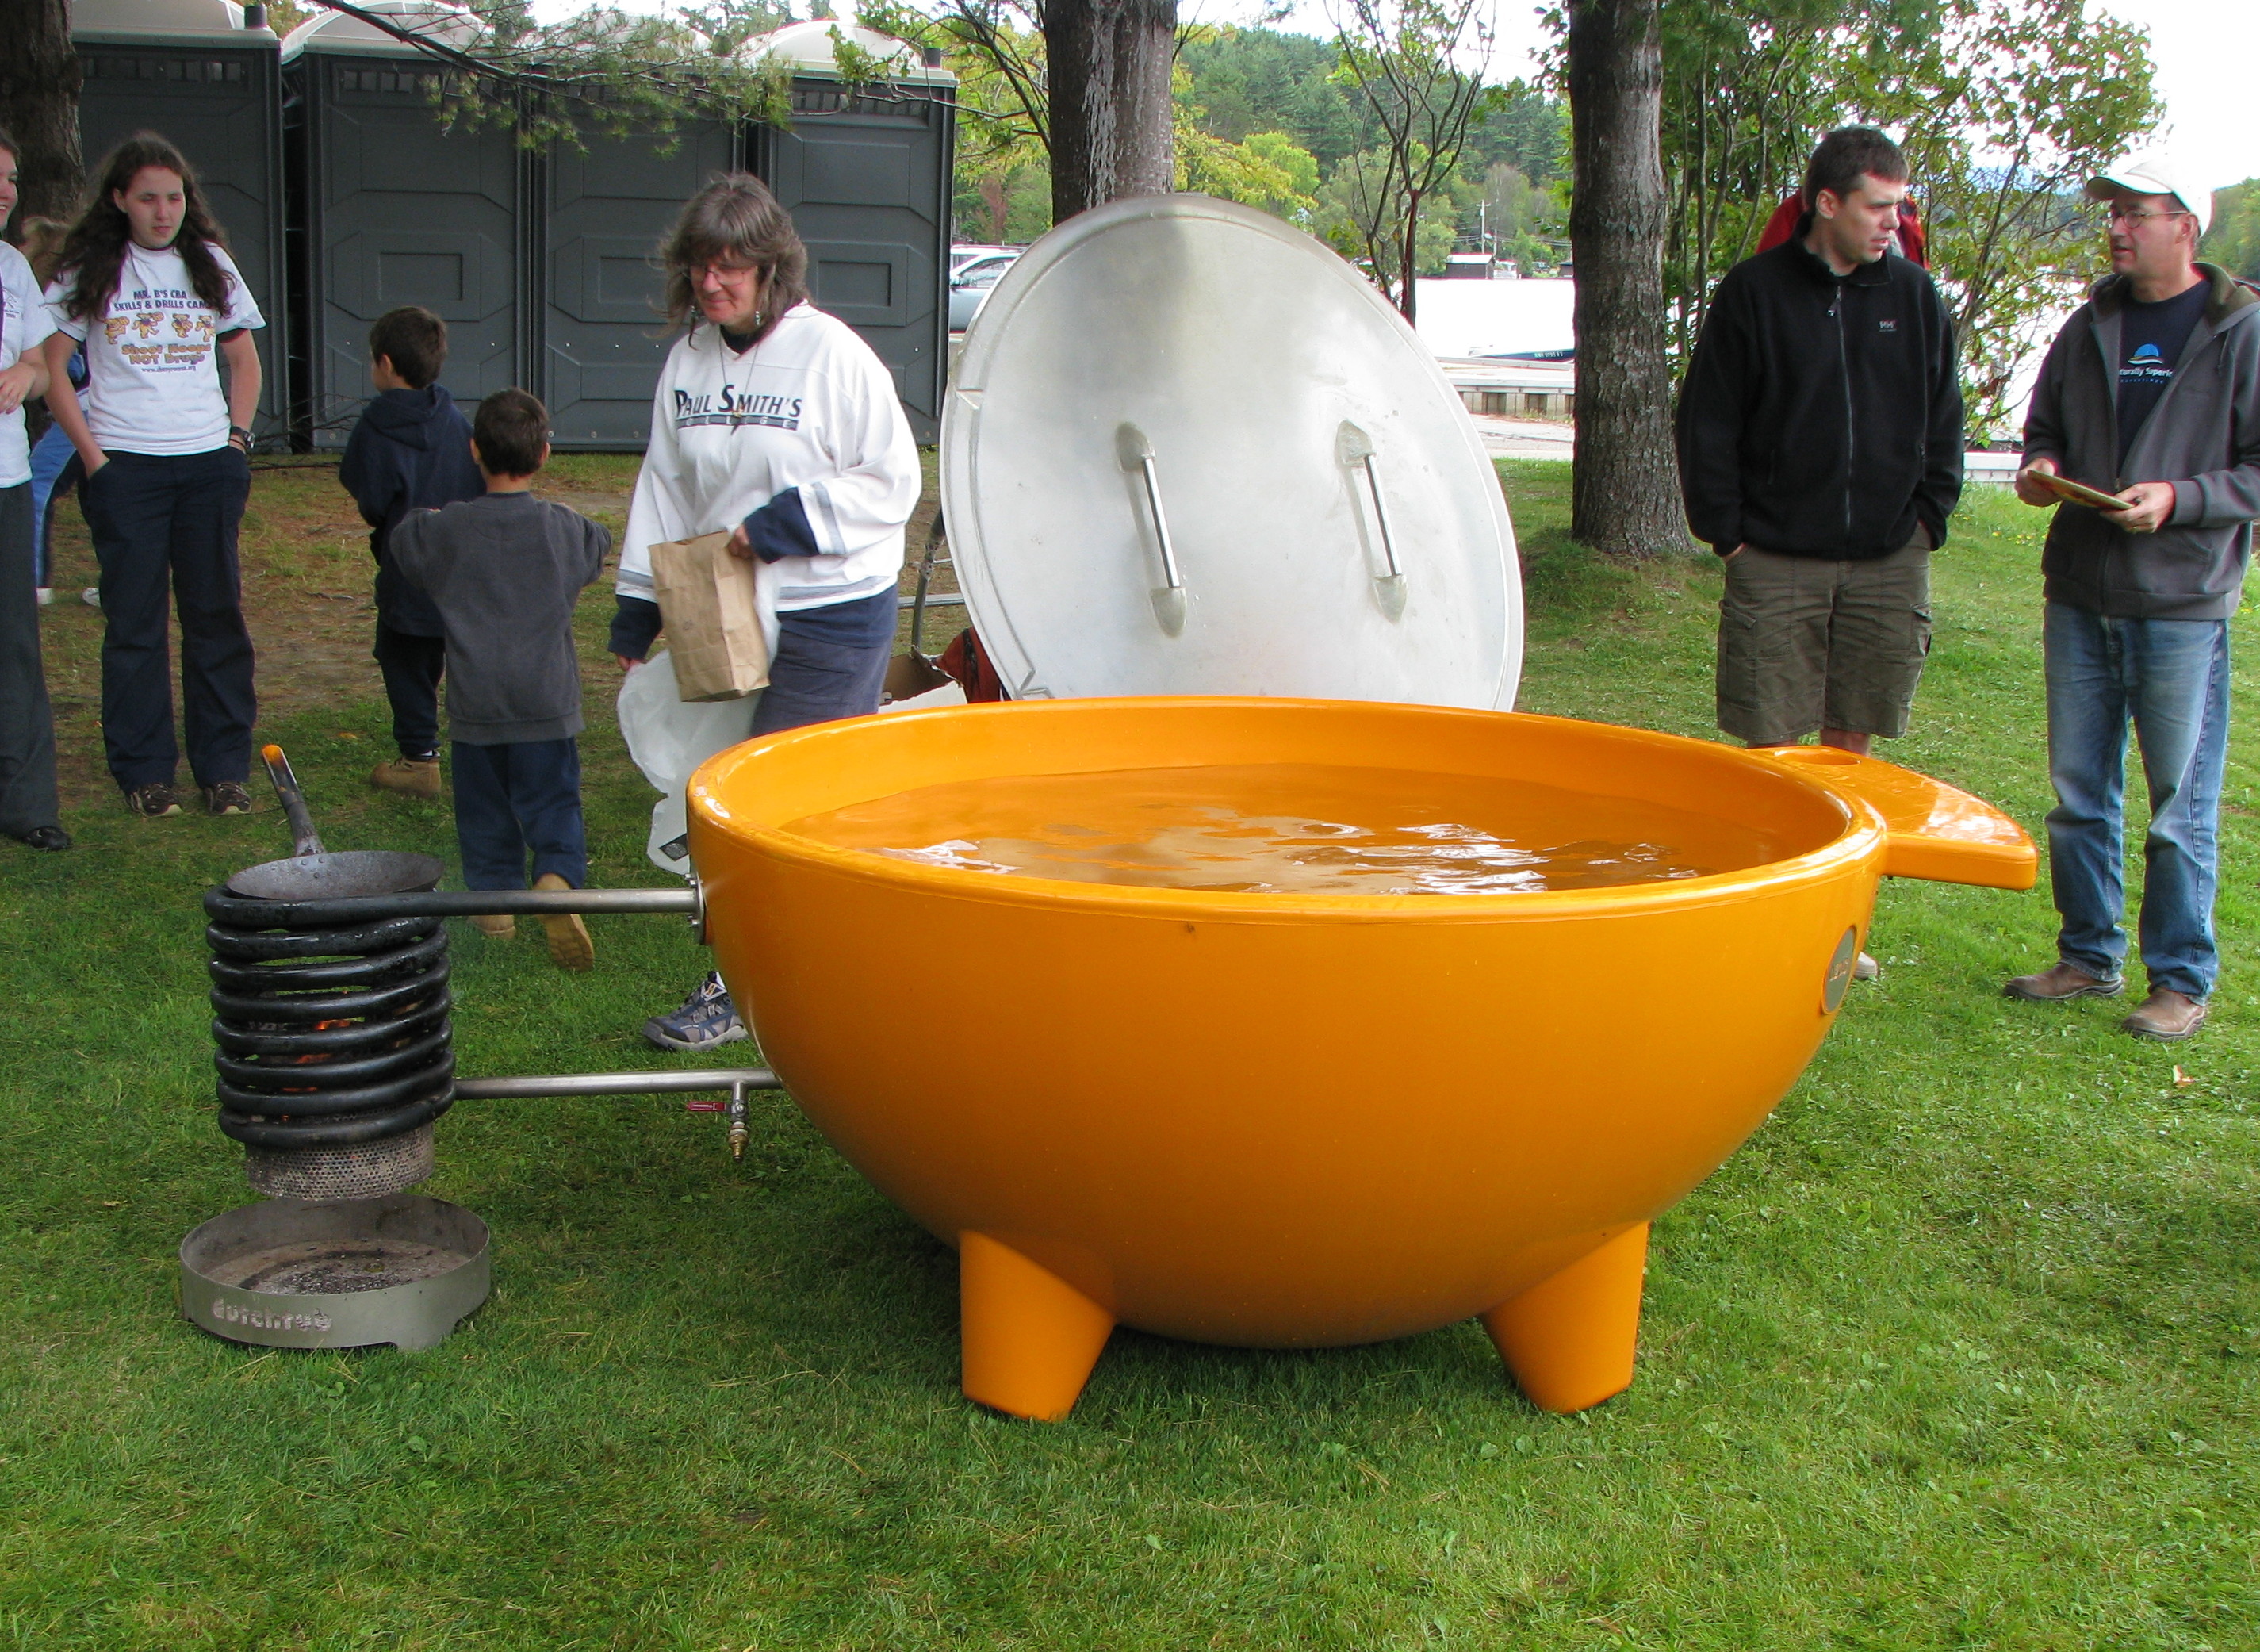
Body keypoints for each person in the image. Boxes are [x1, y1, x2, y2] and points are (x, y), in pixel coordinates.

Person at [611, 174, 919, 1051]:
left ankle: (745, 989)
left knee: (778, 800)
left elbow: (892, 480)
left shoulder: (833, 355)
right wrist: (638, 615)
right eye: (701, 267)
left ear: (771, 267)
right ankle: (818, 958)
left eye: (732, 267)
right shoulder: (691, 361)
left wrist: (781, 526)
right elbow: (664, 490)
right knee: (730, 788)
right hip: (728, 608)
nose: (714, 284)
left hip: (830, 605)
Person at [1677, 126, 1963, 980]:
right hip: (1773, 553)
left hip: (1887, 555)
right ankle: (1769, 916)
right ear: (1826, 204)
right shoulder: (1754, 296)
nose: (1892, 222)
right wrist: (1727, 531)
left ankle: (1842, 927)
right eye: (1879, 206)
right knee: (1772, 749)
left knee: (1852, 745)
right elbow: (1709, 422)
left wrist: (1927, 517)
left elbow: (1944, 414)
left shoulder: (1912, 297)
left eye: (1900, 206)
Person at [2005, 155, 2260, 1042]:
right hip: (2081, 590)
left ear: (2187, 225)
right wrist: (2041, 472)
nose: (2116, 226)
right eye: (2112, 212)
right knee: (2080, 792)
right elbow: (2043, 429)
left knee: (2178, 804)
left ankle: (2181, 981)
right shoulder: (2088, 323)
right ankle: (2088, 955)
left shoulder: (2242, 330)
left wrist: (2179, 500)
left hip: (2183, 603)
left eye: (2137, 212)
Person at [40, 132, 265, 819]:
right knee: (134, 624)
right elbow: (52, 367)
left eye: (173, 197)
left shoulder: (211, 263)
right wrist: (93, 459)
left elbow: (244, 360)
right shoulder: (90, 266)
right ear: (120, 200)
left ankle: (223, 770)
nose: (163, 212)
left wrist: (236, 441)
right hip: (125, 468)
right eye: (148, 199)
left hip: (206, 466)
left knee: (215, 618)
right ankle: (144, 772)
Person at [390, 389, 610, 971]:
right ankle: (557, 880)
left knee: (484, 808)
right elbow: (600, 544)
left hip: (477, 701)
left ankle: (494, 908)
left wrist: (431, 516)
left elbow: (403, 543)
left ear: (473, 451)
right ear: (544, 454)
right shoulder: (562, 529)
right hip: (546, 699)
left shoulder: (449, 530)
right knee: (554, 800)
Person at [339, 305, 483, 800]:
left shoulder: (376, 428)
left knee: (402, 658)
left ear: (385, 362)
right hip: (461, 568)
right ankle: (480, 752)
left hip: (406, 570)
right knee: (457, 656)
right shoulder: (456, 420)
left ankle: (419, 759)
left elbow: (371, 497)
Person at [0, 129, 66, 851]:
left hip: (5, 478)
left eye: (11, 178)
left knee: (13, 643)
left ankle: (25, 803)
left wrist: (28, 378)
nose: (7, 191)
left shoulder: (13, 267)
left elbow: (41, 368)